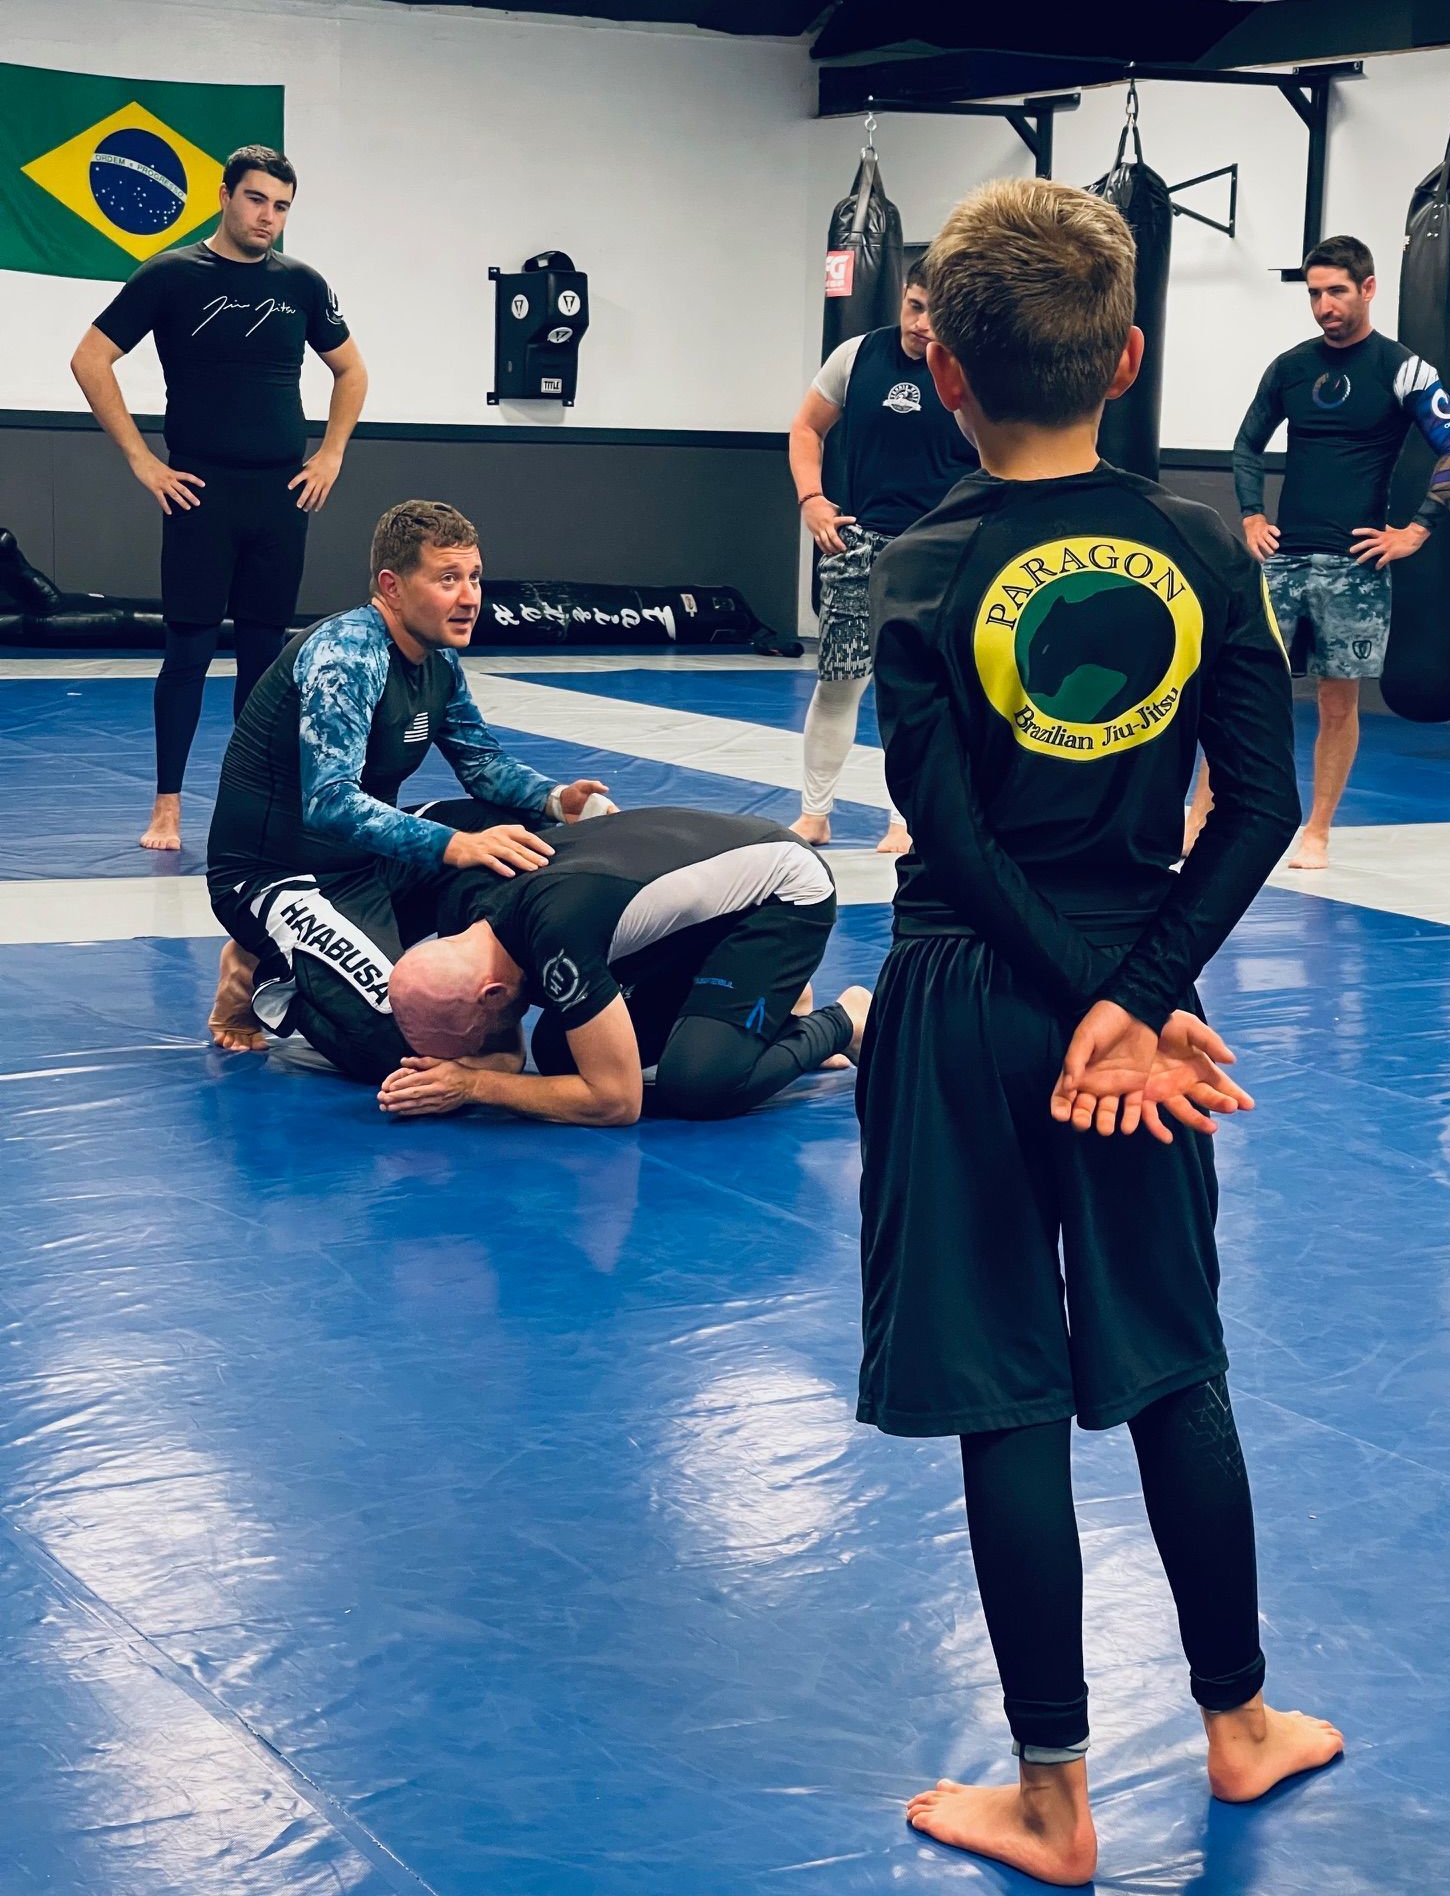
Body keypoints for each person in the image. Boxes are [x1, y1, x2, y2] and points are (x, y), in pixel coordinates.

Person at [857, 177, 1342, 1885]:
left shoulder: (917, 568)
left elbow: (948, 835)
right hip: (1133, 1001)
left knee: (1006, 1389)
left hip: (967, 999)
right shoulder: (1204, 547)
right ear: (1126, 359)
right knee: (1170, 1360)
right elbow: (1261, 806)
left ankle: (1056, 1799)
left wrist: (1096, 1003)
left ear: (944, 367)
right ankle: (1238, 1724)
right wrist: (1137, 1003)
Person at [205, 499, 611, 1082]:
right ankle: (268, 972)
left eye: (474, 577)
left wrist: (555, 799)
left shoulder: (438, 657)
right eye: (447, 579)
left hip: (368, 860)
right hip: (280, 874)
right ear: (392, 587)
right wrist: (453, 845)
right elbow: (330, 802)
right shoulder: (347, 654)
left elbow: (482, 763)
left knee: (527, 840)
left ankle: (501, 972)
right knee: (408, 1050)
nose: (469, 597)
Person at [70, 143, 369, 853]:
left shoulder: (302, 284)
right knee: (189, 653)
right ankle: (167, 807)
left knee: (265, 658)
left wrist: (331, 453)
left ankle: (249, 804)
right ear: (225, 195)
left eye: (282, 207)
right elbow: (90, 358)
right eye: (257, 199)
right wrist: (143, 461)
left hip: (280, 496)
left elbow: (351, 371)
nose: (268, 217)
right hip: (200, 494)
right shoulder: (171, 275)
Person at [1186, 233, 1450, 866]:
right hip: (1283, 559)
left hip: (1355, 566)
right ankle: (1200, 816)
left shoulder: (1403, 369)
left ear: (1368, 288)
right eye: (1315, 294)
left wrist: (1416, 531)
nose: (1325, 306)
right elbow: (1247, 444)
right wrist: (1252, 515)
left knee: (1336, 700)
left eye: (1337, 291)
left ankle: (1317, 831)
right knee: (1238, 692)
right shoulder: (1291, 366)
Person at [378, 806, 869, 1126]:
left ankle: (846, 1021)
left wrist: (475, 1085)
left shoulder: (557, 934)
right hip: (693, 894)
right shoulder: (464, 913)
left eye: (471, 1040)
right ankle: (773, 1006)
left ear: (490, 994)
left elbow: (617, 1101)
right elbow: (508, 1048)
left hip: (781, 893)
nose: (472, 1052)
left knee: (700, 1085)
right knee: (558, 1056)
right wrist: (477, 1067)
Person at [789, 258, 980, 855]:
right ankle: (814, 816)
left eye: (937, 314)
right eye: (915, 307)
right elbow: (806, 428)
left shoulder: (972, 368)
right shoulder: (856, 357)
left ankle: (906, 818)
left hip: (938, 551)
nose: (923, 324)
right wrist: (812, 500)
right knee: (838, 683)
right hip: (859, 543)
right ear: (903, 295)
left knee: (917, 688)